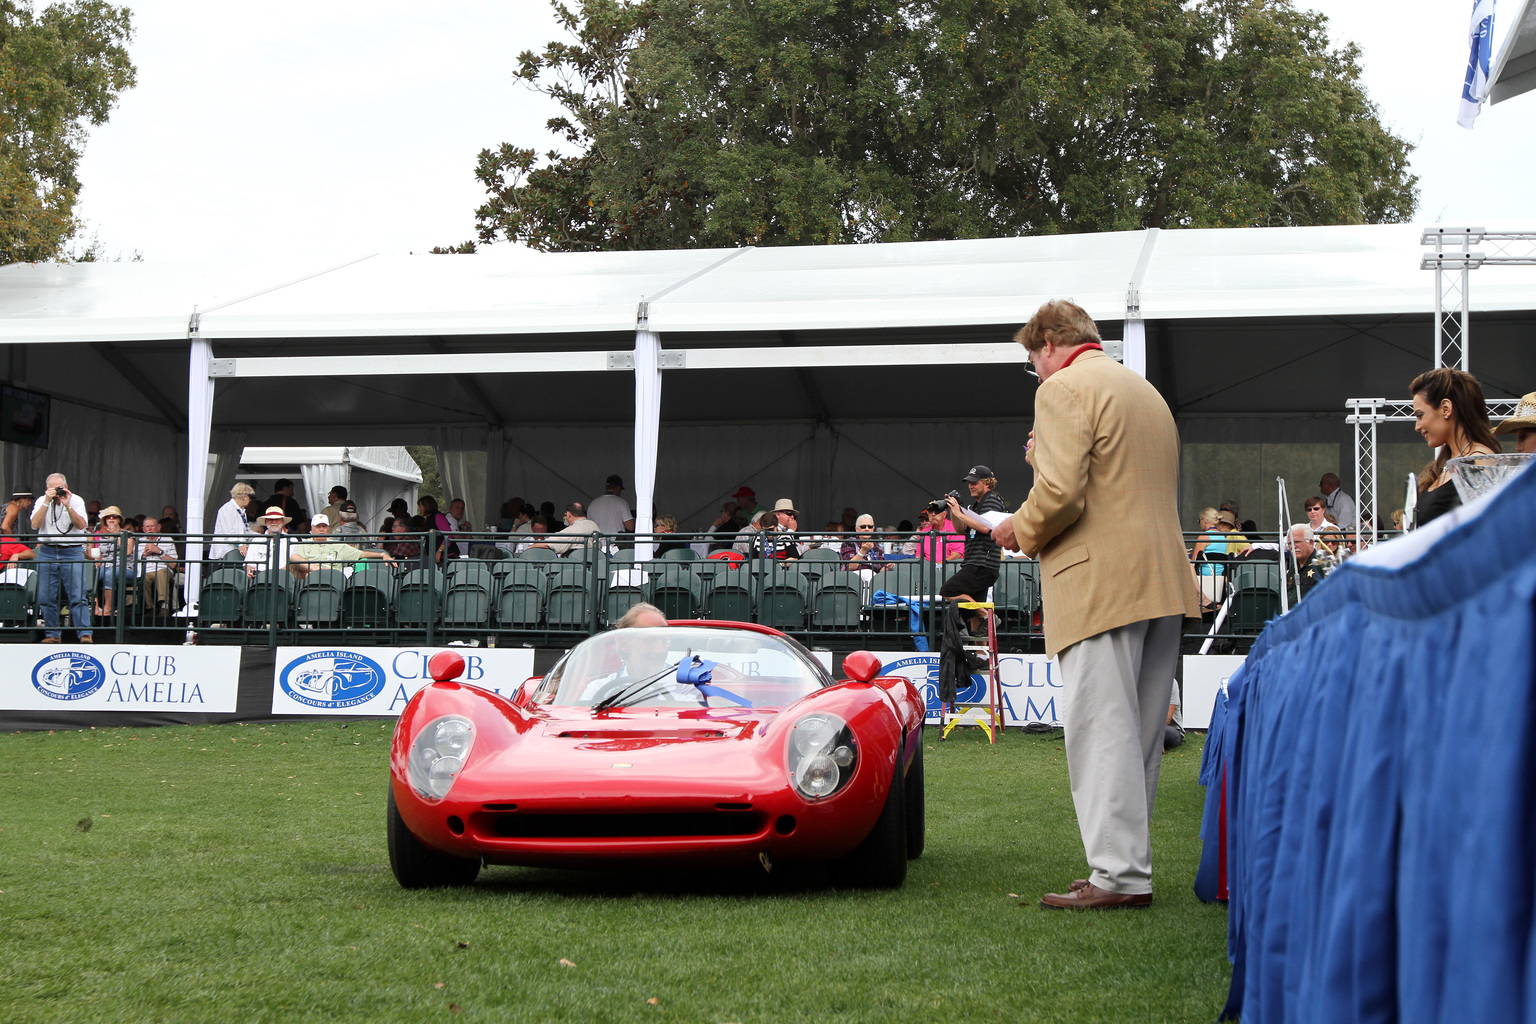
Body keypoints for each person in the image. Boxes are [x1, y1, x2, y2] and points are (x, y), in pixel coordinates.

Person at [990, 300, 1200, 910]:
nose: (1038, 374)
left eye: (1034, 362)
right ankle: (1125, 871)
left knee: (1101, 732)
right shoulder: (1145, 392)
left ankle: (1117, 876)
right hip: (1162, 580)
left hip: (1099, 584)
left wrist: (1017, 530)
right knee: (1136, 738)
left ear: (1049, 344)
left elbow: (1060, 496)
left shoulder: (1062, 390)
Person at [1410, 367, 1500, 527]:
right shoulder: (1442, 466)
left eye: (1420, 415)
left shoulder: (1481, 462)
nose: (1417, 426)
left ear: (1446, 408)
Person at [29, 473, 94, 643]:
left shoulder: (76, 500)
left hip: (72, 551)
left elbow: (81, 525)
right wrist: (46, 502)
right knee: (45, 596)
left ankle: (85, 634)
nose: (57, 491)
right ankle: (52, 634)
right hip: (48, 551)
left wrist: (67, 506)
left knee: (77, 594)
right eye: (53, 488)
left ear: (66, 486)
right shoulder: (42, 501)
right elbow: (35, 524)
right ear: (47, 488)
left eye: (60, 488)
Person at [942, 465, 1007, 625]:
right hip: (977, 562)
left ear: (987, 483)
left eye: (975, 482)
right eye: (969, 482)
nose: (970, 486)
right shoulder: (976, 505)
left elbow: (986, 527)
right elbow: (959, 529)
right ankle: (981, 649)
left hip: (982, 563)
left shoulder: (991, 499)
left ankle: (988, 618)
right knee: (973, 616)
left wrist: (959, 512)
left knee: (947, 590)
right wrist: (954, 509)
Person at [288, 514, 397, 581]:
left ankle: (318, 572)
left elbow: (362, 554)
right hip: (310, 580)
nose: (321, 529)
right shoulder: (304, 543)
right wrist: (317, 570)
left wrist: (382, 554)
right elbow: (295, 560)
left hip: (332, 580)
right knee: (293, 558)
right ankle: (318, 571)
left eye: (324, 526)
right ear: (312, 528)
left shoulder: (337, 544)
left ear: (328, 528)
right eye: (318, 526)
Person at [93, 506, 134, 619]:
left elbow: (127, 551)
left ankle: (108, 607)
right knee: (92, 573)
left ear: (119, 520)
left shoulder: (127, 534)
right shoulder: (103, 536)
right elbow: (100, 554)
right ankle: (95, 606)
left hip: (124, 567)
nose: (111, 518)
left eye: (114, 517)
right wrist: (97, 560)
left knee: (109, 574)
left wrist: (118, 534)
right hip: (105, 565)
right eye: (108, 517)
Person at [137, 515, 180, 618]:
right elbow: (134, 563)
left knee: (161, 572)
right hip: (145, 571)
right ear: (143, 529)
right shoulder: (139, 542)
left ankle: (164, 607)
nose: (150, 529)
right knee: (144, 577)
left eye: (152, 526)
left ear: (159, 527)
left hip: (163, 570)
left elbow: (174, 564)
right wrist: (144, 555)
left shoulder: (167, 539)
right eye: (147, 527)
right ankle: (150, 608)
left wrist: (159, 552)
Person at [528, 502, 603, 557]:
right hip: (594, 566)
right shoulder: (594, 525)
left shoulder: (573, 530)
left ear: (569, 515)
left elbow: (550, 544)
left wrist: (531, 547)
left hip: (576, 567)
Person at [208, 482, 256, 559]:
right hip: (224, 554)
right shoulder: (228, 509)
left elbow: (246, 531)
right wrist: (240, 545)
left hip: (233, 553)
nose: (250, 501)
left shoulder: (241, 511)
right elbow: (229, 532)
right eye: (250, 498)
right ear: (244, 497)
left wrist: (262, 537)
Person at [244, 507, 292, 578]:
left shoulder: (291, 540)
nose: (274, 522)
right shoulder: (256, 540)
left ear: (282, 522)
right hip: (258, 579)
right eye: (270, 519)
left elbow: (292, 566)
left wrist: (272, 575)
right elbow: (248, 564)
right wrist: (250, 571)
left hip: (282, 578)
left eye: (277, 519)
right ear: (265, 522)